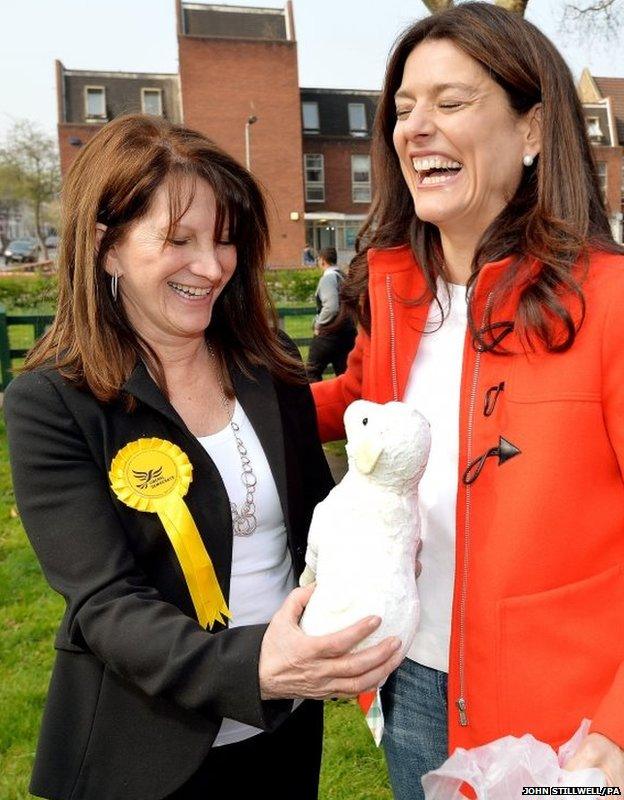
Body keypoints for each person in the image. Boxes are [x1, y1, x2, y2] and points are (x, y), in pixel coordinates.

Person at [3, 114, 405, 800]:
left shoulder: (268, 369)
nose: (212, 266)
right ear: (107, 247)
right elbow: (105, 604)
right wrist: (254, 669)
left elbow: (316, 523)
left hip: (283, 729)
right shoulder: (49, 404)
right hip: (142, 756)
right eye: (178, 240)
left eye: (224, 241)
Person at [310, 3, 624, 797]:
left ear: (531, 132)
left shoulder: (613, 304)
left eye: (451, 103)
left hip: (568, 722)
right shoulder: (395, 291)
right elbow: (353, 400)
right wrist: (204, 395)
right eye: (404, 109)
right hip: (411, 685)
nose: (417, 127)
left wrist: (619, 726)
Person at [306, 247, 357, 382]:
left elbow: (331, 307)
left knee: (311, 372)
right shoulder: (344, 277)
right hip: (347, 334)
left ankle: (316, 403)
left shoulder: (328, 279)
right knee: (345, 375)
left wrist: (318, 323)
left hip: (328, 334)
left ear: (322, 261)